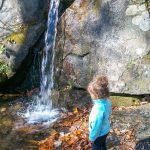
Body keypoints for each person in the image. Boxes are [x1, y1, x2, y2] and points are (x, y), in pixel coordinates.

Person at [87, 75, 112, 150]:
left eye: (91, 94)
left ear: (96, 95)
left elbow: (96, 127)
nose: (90, 95)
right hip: (106, 129)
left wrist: (92, 138)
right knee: (103, 143)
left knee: (96, 147)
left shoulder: (98, 110)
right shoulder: (107, 101)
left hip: (99, 134)